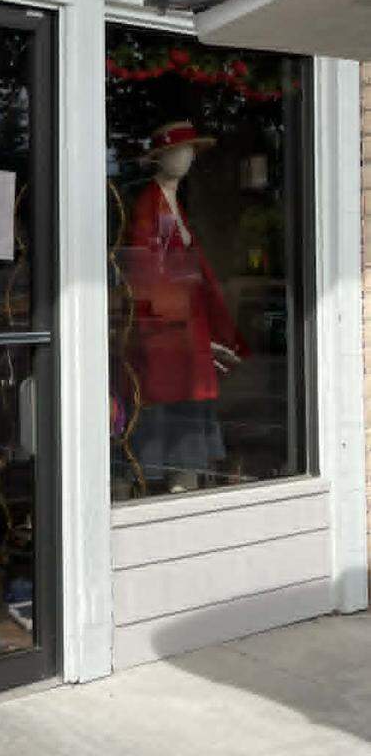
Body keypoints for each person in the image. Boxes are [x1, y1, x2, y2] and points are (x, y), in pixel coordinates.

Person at [124, 121, 246, 492]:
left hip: (186, 326)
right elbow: (147, 271)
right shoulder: (150, 205)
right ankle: (168, 482)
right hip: (166, 329)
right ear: (159, 159)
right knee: (170, 400)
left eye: (189, 151)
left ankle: (183, 481)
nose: (186, 159)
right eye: (177, 152)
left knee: (188, 398)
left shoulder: (174, 204)